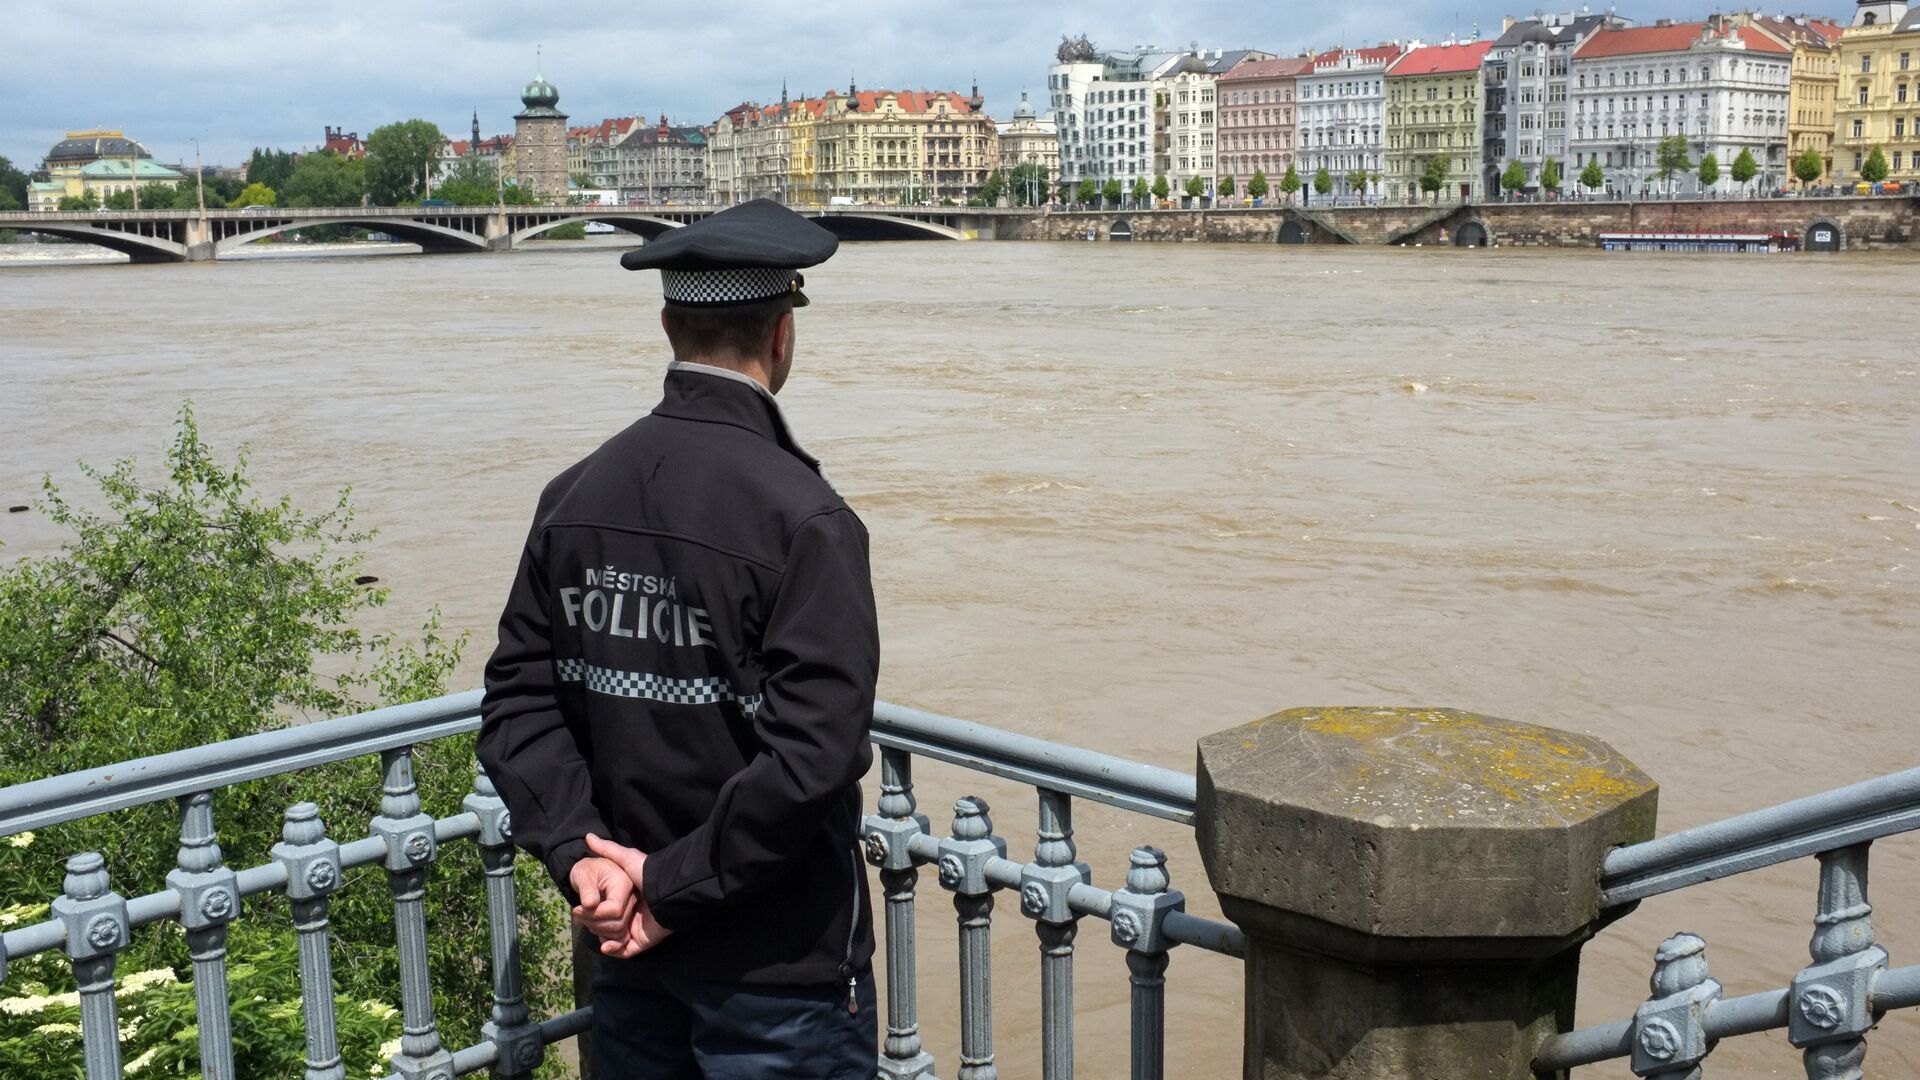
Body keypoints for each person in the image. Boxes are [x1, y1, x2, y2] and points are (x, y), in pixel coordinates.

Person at [477, 198, 880, 1079]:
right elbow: (815, 754)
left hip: (623, 948)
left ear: (667, 324)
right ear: (783, 336)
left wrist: (585, 860)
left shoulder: (574, 495)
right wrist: (669, 889)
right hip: (778, 972)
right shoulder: (807, 519)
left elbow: (516, 704)